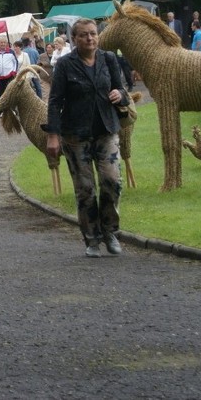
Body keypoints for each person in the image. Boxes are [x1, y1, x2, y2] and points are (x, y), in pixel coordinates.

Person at [44, 19, 129, 258]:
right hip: (75, 134)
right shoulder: (64, 65)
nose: (90, 38)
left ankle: (110, 230)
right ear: (74, 39)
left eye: (93, 34)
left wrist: (119, 94)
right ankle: (92, 238)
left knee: (112, 181)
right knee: (85, 189)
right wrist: (52, 134)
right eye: (83, 35)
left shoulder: (109, 59)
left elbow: (122, 89)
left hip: (106, 129)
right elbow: (55, 101)